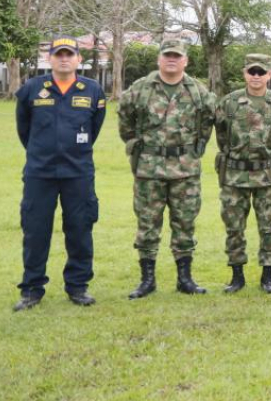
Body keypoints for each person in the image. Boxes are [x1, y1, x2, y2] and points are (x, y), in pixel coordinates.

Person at [118, 37, 217, 299]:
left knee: (185, 223)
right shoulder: (140, 88)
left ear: (185, 60)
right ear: (159, 59)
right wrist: (136, 145)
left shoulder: (198, 91)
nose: (171, 59)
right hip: (149, 169)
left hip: (185, 169)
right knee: (148, 224)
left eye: (177, 56)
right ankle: (147, 280)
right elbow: (125, 121)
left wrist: (194, 150)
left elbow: (207, 123)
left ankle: (185, 279)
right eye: (167, 55)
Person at [13, 37, 107, 311]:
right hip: (39, 173)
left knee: (79, 229)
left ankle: (78, 286)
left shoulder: (92, 90)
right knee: (35, 231)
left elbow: (94, 129)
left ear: (79, 59)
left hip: (78, 172)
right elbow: (23, 129)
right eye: (58, 54)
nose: (64, 58)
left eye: (69, 54)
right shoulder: (32, 88)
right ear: (50, 59)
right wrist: (40, 151)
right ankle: (32, 289)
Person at [213, 53, 271, 294]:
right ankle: (237, 277)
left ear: (270, 74)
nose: (256, 76)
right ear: (244, 73)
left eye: (261, 72)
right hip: (235, 176)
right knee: (234, 227)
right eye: (252, 72)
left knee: (268, 227)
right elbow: (221, 134)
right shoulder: (229, 102)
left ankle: (267, 277)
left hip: (267, 175)